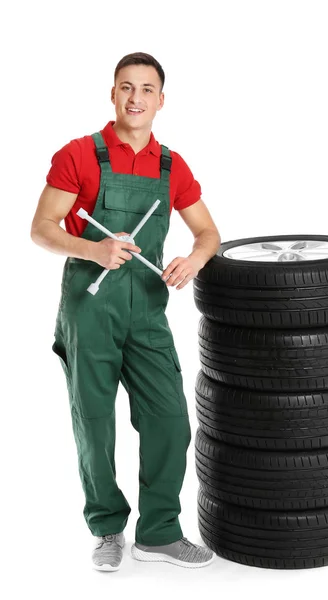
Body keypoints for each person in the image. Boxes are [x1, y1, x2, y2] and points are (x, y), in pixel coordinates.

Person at [30, 52, 221, 571]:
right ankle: (108, 529)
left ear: (162, 99)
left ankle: (159, 531)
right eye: (126, 87)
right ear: (112, 93)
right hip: (89, 307)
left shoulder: (170, 166)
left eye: (146, 89)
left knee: (170, 420)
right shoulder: (80, 155)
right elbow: (42, 226)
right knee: (94, 423)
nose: (135, 98)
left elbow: (208, 233)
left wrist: (194, 259)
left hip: (148, 311)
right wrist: (94, 249)